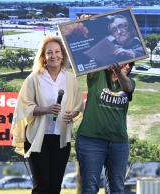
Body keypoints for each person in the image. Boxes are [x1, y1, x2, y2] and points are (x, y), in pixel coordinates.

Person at [11, 35, 84, 194]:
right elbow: (24, 107)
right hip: (37, 137)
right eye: (49, 52)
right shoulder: (34, 78)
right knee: (42, 186)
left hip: (60, 139)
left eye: (57, 51)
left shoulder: (70, 79)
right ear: (43, 56)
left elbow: (78, 105)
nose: (54, 56)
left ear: (63, 55)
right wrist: (46, 109)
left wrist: (72, 114)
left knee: (55, 187)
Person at [76, 62, 135, 194]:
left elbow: (128, 88)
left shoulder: (129, 82)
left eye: (130, 65)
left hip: (118, 143)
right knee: (90, 188)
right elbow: (90, 58)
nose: (127, 66)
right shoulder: (98, 74)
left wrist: (119, 72)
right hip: (91, 140)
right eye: (124, 63)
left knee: (117, 189)